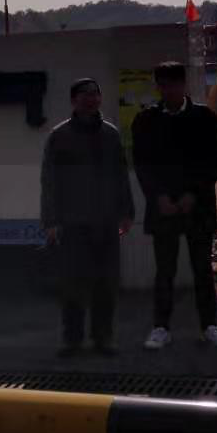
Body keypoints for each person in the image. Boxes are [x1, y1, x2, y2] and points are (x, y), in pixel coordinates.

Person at [131, 59, 217, 349]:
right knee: (165, 271)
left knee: (202, 269)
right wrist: (159, 196)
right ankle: (161, 327)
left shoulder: (205, 117)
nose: (169, 90)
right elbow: (142, 164)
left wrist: (193, 194)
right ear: (158, 87)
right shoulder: (146, 120)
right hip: (162, 207)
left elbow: (213, 161)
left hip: (198, 206)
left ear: (183, 84)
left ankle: (209, 325)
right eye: (163, 85)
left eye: (174, 84)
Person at [40, 77, 134, 357]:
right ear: (74, 100)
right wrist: (51, 220)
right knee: (73, 284)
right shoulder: (59, 136)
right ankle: (72, 338)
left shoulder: (110, 134)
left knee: (105, 283)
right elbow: (49, 180)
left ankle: (103, 337)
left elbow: (121, 175)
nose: (91, 99)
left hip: (105, 220)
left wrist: (126, 212)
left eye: (95, 94)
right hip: (72, 222)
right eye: (85, 94)